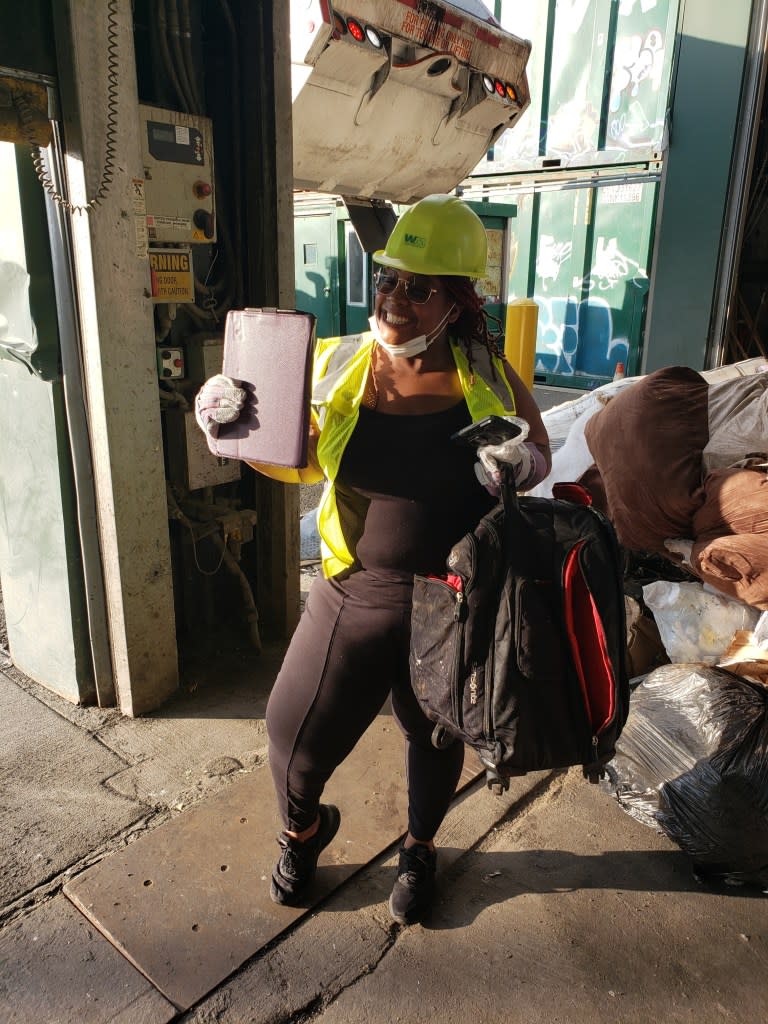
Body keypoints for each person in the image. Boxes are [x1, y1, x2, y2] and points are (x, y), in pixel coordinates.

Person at [195, 194, 551, 925]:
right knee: (292, 737)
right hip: (353, 593)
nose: (396, 298)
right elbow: (293, 463)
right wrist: (226, 427)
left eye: (421, 288)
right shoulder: (335, 366)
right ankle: (303, 830)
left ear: (456, 302)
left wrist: (523, 459)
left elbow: (538, 450)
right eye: (389, 278)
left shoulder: (487, 370)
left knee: (432, 738)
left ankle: (419, 847)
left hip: (453, 603)